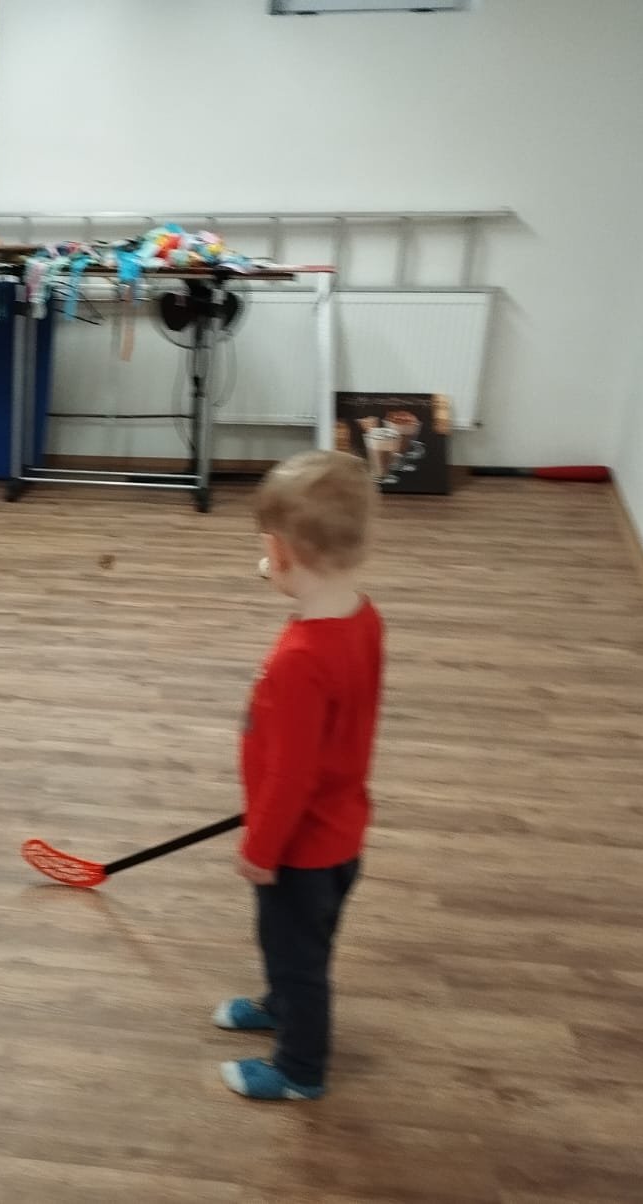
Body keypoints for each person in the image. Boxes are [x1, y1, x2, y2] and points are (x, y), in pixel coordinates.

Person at [214, 449, 385, 1102]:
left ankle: (299, 1069)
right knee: (300, 946)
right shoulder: (362, 618)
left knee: (298, 957)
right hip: (341, 831)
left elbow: (292, 775)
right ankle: (281, 1002)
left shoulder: (300, 661)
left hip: (299, 848)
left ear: (278, 552)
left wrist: (261, 847)